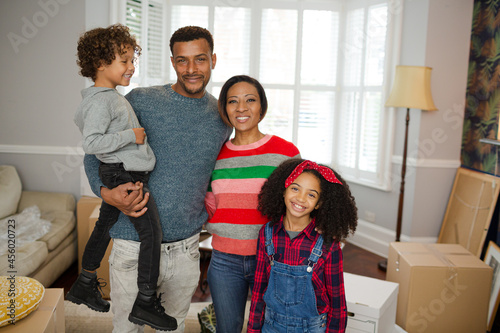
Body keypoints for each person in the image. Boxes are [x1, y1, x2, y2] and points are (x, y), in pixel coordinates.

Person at [83, 25, 232, 333]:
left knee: (173, 329)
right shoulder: (140, 100)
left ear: (213, 60)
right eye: (182, 60)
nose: (191, 69)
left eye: (200, 59)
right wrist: (104, 193)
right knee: (126, 330)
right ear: (172, 61)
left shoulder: (222, 117)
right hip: (131, 244)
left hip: (186, 248)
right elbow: (92, 154)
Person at [69, 23, 176, 331]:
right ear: (101, 64)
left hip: (119, 171)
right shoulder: (105, 100)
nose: (132, 67)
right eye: (125, 60)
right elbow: (92, 143)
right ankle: (144, 302)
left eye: (133, 60)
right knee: (151, 234)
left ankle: (85, 281)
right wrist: (131, 135)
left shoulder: (101, 97)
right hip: (123, 175)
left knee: (105, 224)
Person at [204, 75, 300, 332]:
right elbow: (210, 204)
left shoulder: (285, 152)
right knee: (228, 328)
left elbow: (300, 206)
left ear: (262, 107)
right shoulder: (214, 154)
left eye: (250, 100)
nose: (241, 108)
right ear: (225, 109)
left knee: (275, 327)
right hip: (224, 261)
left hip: (273, 257)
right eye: (233, 101)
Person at [247, 159, 358, 333]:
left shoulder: (328, 244)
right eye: (295, 188)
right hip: (271, 326)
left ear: (319, 203)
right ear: (283, 191)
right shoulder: (266, 234)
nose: (300, 198)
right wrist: (253, 330)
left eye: (311, 194)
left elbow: (337, 304)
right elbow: (259, 290)